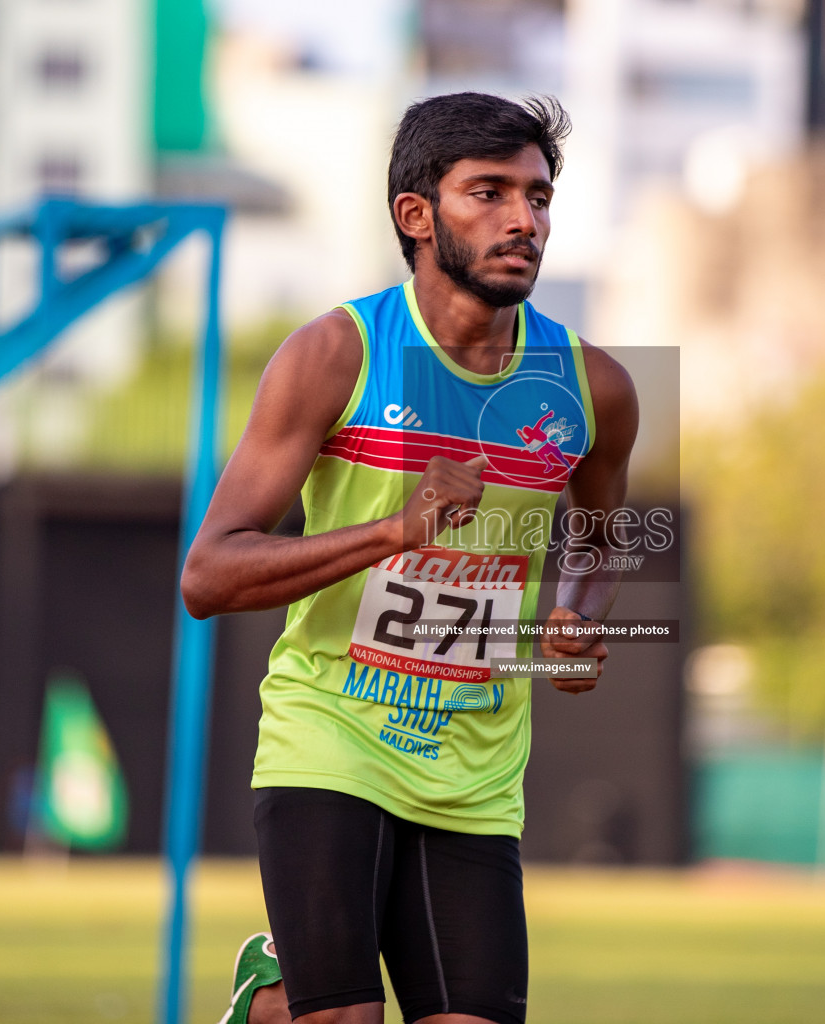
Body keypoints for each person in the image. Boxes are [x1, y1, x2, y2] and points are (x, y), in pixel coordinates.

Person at [181, 92, 638, 1024]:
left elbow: (599, 533)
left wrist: (581, 616)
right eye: (490, 193)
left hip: (475, 764)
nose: (525, 220)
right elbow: (209, 575)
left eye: (540, 197)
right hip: (330, 736)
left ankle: (279, 988)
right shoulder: (336, 354)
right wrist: (394, 533)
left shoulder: (594, 387)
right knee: (347, 1015)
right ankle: (299, 987)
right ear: (416, 215)